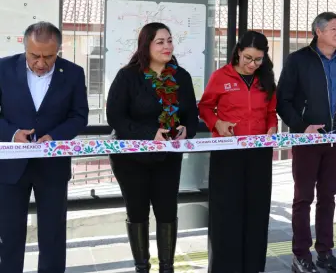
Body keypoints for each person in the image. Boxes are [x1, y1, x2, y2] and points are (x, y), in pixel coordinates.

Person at [106, 22, 200, 273]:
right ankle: (142, 267)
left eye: (169, 40)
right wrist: (150, 134)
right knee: (137, 212)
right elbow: (115, 117)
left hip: (167, 157)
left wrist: (185, 130)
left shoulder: (181, 76)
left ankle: (167, 267)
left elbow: (191, 116)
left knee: (167, 211)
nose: (167, 46)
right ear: (145, 45)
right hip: (131, 159)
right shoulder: (128, 76)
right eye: (160, 41)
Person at [0, 22, 89, 273]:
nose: (41, 63)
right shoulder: (3, 68)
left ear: (59, 50)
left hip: (53, 166)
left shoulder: (73, 73)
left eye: (48, 57)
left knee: (52, 236)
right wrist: (13, 134)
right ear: (24, 46)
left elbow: (79, 116)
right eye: (34, 56)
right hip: (10, 167)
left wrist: (55, 136)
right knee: (8, 236)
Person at [277, 12, 336, 273]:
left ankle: (325, 252)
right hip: (307, 140)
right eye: (334, 28)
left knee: (328, 198)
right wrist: (303, 128)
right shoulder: (298, 60)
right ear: (318, 31)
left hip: (335, 141)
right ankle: (301, 255)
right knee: (303, 198)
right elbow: (283, 100)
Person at [198, 31, 277, 273]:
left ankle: (253, 266)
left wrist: (272, 129)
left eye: (258, 59)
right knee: (227, 211)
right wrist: (217, 124)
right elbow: (204, 106)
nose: (252, 64)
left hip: (259, 153)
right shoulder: (221, 76)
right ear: (238, 52)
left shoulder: (266, 79)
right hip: (228, 151)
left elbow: (271, 112)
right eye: (248, 58)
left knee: (257, 209)